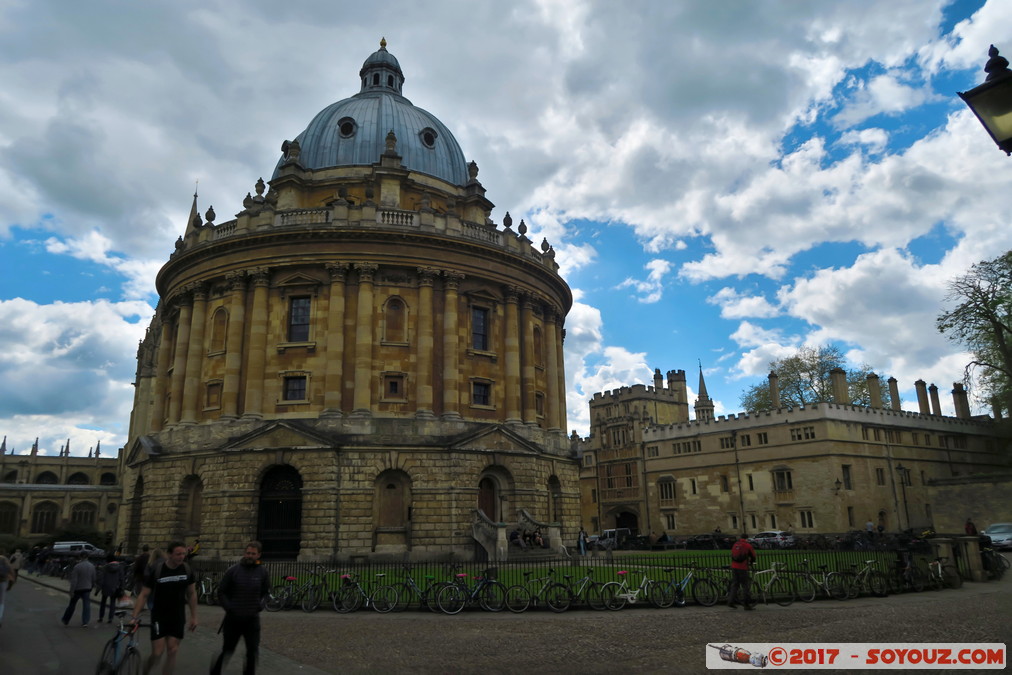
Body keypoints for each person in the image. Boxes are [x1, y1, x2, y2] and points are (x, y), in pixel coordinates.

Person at [132, 541, 198, 675]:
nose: (182, 557)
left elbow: (191, 593)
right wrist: (134, 616)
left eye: (184, 554)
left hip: (177, 616)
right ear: (169, 554)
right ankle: (145, 670)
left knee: (173, 650)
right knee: (157, 653)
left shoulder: (187, 570)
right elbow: (144, 594)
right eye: (178, 554)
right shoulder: (158, 570)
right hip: (159, 616)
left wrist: (194, 616)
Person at [210, 541, 270, 675]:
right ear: (244, 553)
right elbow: (221, 591)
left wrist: (260, 605)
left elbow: (266, 592)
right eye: (248, 553)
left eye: (253, 554)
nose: (250, 556)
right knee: (228, 649)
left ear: (259, 555)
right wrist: (229, 607)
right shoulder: (233, 570)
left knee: (252, 651)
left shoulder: (262, 572)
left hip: (252, 618)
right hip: (233, 618)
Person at [61, 551, 96, 627]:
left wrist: (71, 591)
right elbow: (93, 579)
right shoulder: (92, 566)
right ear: (88, 557)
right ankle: (85, 622)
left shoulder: (77, 566)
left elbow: (74, 581)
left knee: (72, 604)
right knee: (86, 605)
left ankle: (66, 619)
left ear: (80, 557)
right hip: (87, 588)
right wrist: (91, 586)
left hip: (78, 588)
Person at [727, 533, 756, 611]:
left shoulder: (735, 544)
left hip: (734, 566)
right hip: (742, 567)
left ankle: (730, 601)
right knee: (745, 585)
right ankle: (746, 604)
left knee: (735, 584)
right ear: (747, 538)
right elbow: (753, 556)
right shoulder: (747, 545)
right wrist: (751, 562)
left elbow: (732, 554)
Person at [96, 553, 125, 624]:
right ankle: (110, 618)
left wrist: (98, 589)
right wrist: (122, 588)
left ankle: (101, 617)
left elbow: (101, 578)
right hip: (115, 587)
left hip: (105, 586)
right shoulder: (119, 567)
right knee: (112, 603)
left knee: (103, 602)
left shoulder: (105, 567)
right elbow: (122, 578)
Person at [0, 548, 14, 629]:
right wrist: (10, 585)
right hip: (2, 582)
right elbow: (11, 572)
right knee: (1, 601)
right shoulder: (5, 559)